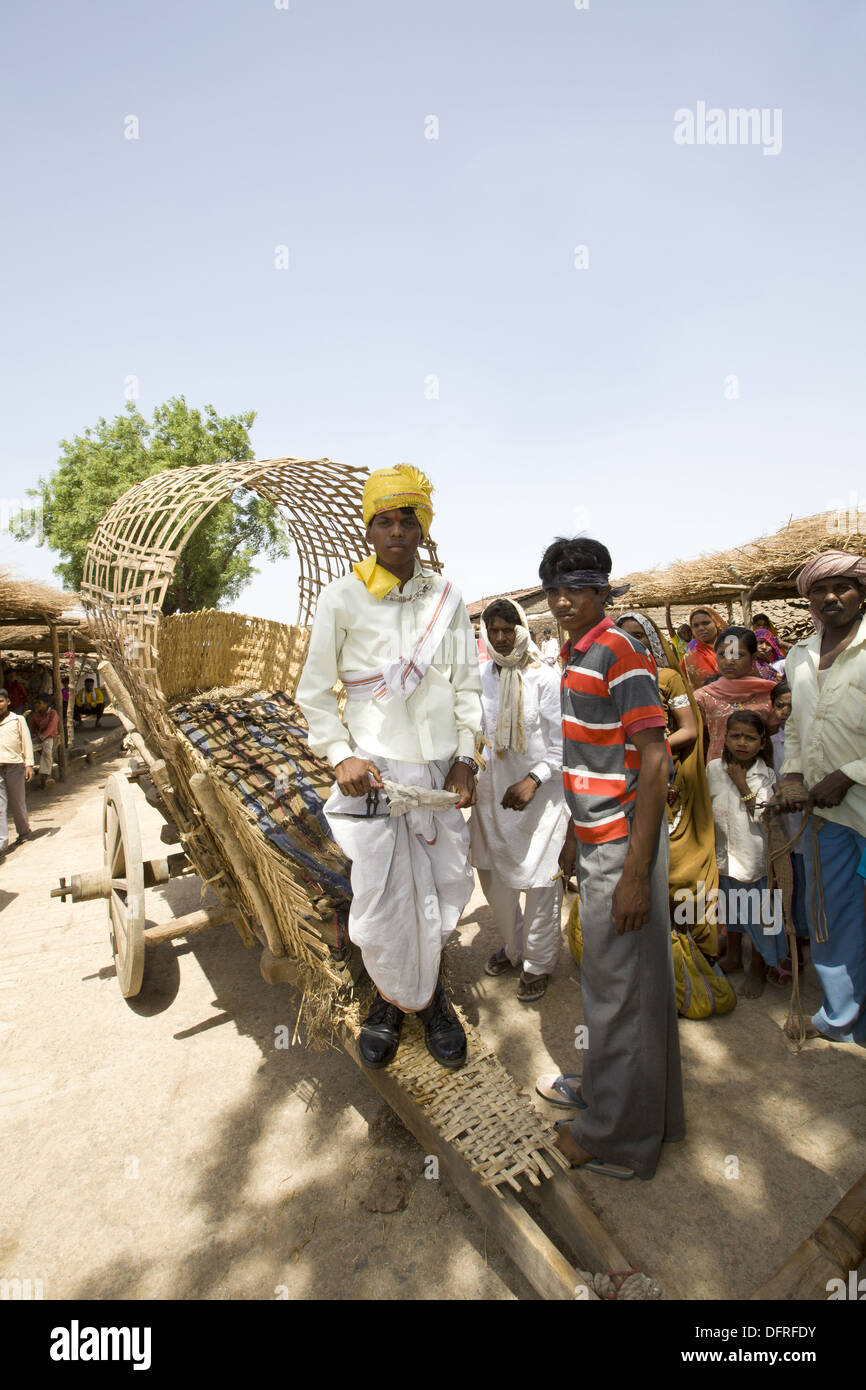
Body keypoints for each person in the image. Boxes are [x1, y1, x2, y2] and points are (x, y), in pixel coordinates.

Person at [296, 464, 482, 1070]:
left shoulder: (447, 598)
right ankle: (388, 1003)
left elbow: (465, 685)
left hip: (435, 774)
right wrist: (340, 754)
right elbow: (315, 691)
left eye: (408, 519)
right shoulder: (342, 596)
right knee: (380, 894)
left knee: (436, 887)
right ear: (369, 529)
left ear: (422, 528)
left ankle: (430, 1002)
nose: (397, 530)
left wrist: (466, 758)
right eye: (385, 520)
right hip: (371, 773)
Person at [535, 537, 683, 1182]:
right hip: (599, 838)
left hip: (624, 845)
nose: (564, 600)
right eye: (554, 589)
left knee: (618, 992)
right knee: (620, 986)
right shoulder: (577, 654)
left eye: (578, 587)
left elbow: (656, 758)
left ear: (602, 590)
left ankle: (615, 1139)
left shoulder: (619, 652)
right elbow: (593, 761)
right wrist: (574, 834)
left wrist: (631, 875)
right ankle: (624, 1101)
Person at [770, 550, 866, 1043]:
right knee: (831, 914)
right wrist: (791, 775)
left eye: (843, 586)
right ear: (807, 600)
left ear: (861, 592)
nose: (831, 597)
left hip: (858, 803)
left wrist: (849, 773)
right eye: (820, 590)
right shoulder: (800, 654)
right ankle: (840, 1016)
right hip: (828, 816)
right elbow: (798, 728)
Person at [470, 599, 569, 1001]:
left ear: (522, 629)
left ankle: (539, 962)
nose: (500, 638)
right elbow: (472, 735)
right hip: (492, 797)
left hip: (541, 799)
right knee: (496, 882)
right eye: (492, 631)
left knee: (543, 881)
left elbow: (564, 746)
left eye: (507, 630)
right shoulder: (479, 678)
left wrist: (534, 778)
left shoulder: (545, 678)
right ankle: (515, 949)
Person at [616, 612, 719, 956]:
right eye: (625, 636)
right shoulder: (616, 680)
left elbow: (689, 730)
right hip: (625, 783)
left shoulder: (669, 677)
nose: (633, 643)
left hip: (666, 778)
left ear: (652, 639)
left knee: (677, 867)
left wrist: (648, 749)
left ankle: (691, 949)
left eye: (639, 636)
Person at [707, 711, 783, 997]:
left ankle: (758, 967)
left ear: (762, 743)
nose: (742, 743)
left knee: (760, 917)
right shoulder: (713, 768)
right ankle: (735, 957)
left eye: (750, 738)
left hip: (752, 858)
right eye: (736, 736)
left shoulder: (765, 775)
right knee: (730, 910)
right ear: (724, 738)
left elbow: (763, 818)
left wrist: (741, 783)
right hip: (723, 853)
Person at [769, 679, 810, 977]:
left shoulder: (813, 742)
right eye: (780, 705)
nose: (786, 711)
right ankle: (794, 940)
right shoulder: (770, 745)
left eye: (792, 706)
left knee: (811, 884)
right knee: (789, 883)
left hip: (812, 829)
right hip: (785, 830)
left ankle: (809, 933)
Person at [693, 627, 777, 762]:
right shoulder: (702, 697)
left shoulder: (770, 693)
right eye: (722, 655)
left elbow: (774, 732)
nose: (729, 661)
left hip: (761, 774)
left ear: (753, 658)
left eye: (738, 655)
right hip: (718, 772)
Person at [0, 688, 34, 860]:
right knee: (0, 806)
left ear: (8, 702)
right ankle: (2, 843)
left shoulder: (17, 720)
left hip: (15, 766)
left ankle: (24, 832)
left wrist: (29, 764)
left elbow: (26, 742)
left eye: (1, 701)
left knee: (17, 802)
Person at [681, 607, 727, 689]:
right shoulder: (688, 659)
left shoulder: (735, 649)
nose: (701, 628)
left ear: (716, 624)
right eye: (696, 625)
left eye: (705, 623)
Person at [29, 696, 60, 789]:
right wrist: (34, 736)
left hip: (50, 736)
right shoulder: (35, 715)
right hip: (38, 737)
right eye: (36, 703)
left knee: (46, 751)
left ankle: (45, 776)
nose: (37, 705)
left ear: (46, 704)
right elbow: (32, 729)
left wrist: (43, 736)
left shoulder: (53, 713)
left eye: (39, 703)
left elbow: (52, 727)